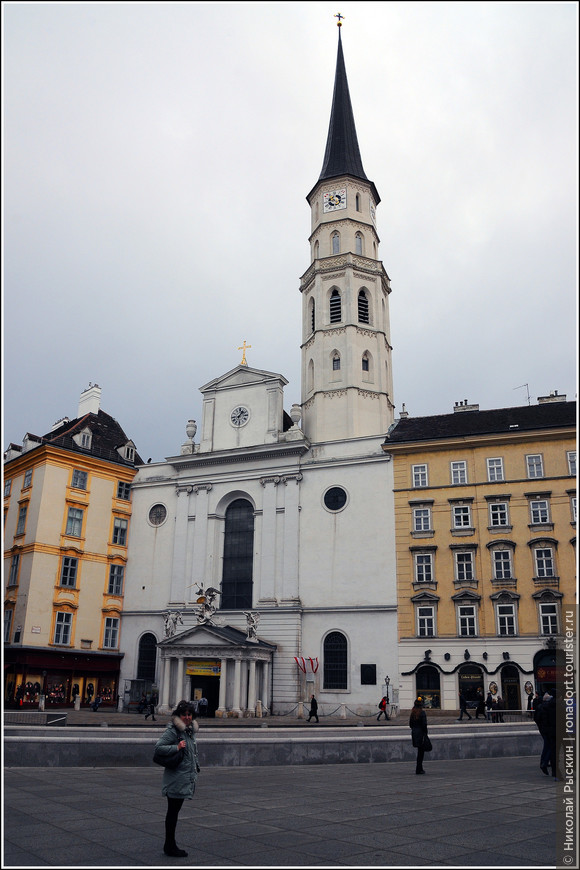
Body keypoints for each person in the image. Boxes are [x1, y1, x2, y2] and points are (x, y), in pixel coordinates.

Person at [154, 700, 200, 857]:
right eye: (184, 714)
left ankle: (170, 844)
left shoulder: (188, 731)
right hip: (176, 778)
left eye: (189, 714)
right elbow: (158, 747)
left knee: (174, 812)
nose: (187, 717)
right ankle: (170, 845)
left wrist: (196, 768)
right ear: (178, 716)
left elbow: (192, 754)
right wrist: (176, 747)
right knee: (172, 812)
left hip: (183, 777)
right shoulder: (174, 730)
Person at [409, 697, 428, 774]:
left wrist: (414, 729)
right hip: (421, 733)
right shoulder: (422, 713)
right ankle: (419, 768)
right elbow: (424, 724)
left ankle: (419, 768)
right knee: (421, 752)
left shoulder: (413, 712)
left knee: (419, 751)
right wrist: (425, 733)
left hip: (414, 733)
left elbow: (410, 724)